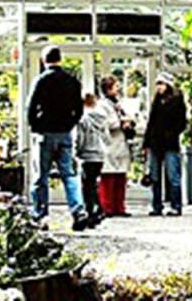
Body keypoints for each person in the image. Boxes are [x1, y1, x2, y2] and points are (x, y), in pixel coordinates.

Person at [27, 45, 87, 231]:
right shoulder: (72, 82)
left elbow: (31, 107)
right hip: (64, 134)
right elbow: (79, 110)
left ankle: (41, 215)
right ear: (60, 59)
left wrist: (35, 127)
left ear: (44, 60)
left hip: (45, 133)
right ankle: (78, 211)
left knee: (41, 177)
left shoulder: (41, 80)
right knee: (69, 174)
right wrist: (69, 124)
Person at [141, 72, 187, 216]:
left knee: (173, 175)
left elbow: (182, 122)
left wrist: (171, 134)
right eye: (158, 84)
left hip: (170, 143)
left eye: (162, 84)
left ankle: (176, 205)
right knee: (155, 176)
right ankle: (157, 205)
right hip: (156, 143)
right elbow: (151, 122)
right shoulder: (157, 101)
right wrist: (146, 143)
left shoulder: (177, 100)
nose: (159, 87)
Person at [97, 75, 133, 217]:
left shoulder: (117, 103)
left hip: (120, 143)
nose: (118, 89)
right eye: (115, 86)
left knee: (120, 176)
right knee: (108, 176)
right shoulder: (102, 105)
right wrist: (120, 122)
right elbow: (104, 123)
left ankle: (119, 206)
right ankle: (107, 207)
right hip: (110, 143)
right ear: (108, 89)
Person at [75, 92, 106, 228]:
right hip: (99, 154)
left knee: (87, 185)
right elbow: (107, 137)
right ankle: (97, 209)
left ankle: (92, 211)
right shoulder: (101, 118)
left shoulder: (83, 119)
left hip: (87, 155)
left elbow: (80, 138)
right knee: (93, 183)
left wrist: (76, 151)